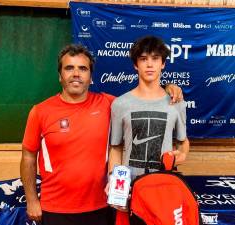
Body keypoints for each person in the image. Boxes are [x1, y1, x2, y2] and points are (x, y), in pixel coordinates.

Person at [20, 44, 183, 225]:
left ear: (90, 77)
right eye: (69, 68)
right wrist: (32, 200)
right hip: (56, 209)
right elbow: (28, 157)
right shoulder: (40, 111)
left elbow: (142, 100)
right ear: (60, 76)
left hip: (102, 207)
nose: (76, 74)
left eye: (82, 68)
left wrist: (167, 88)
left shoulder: (109, 104)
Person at [108, 35, 190, 195]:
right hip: (131, 186)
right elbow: (116, 148)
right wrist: (115, 183)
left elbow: (183, 142)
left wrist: (182, 155)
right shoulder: (120, 104)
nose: (150, 64)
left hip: (164, 185)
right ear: (135, 65)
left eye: (155, 58)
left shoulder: (176, 102)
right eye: (143, 59)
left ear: (163, 63)